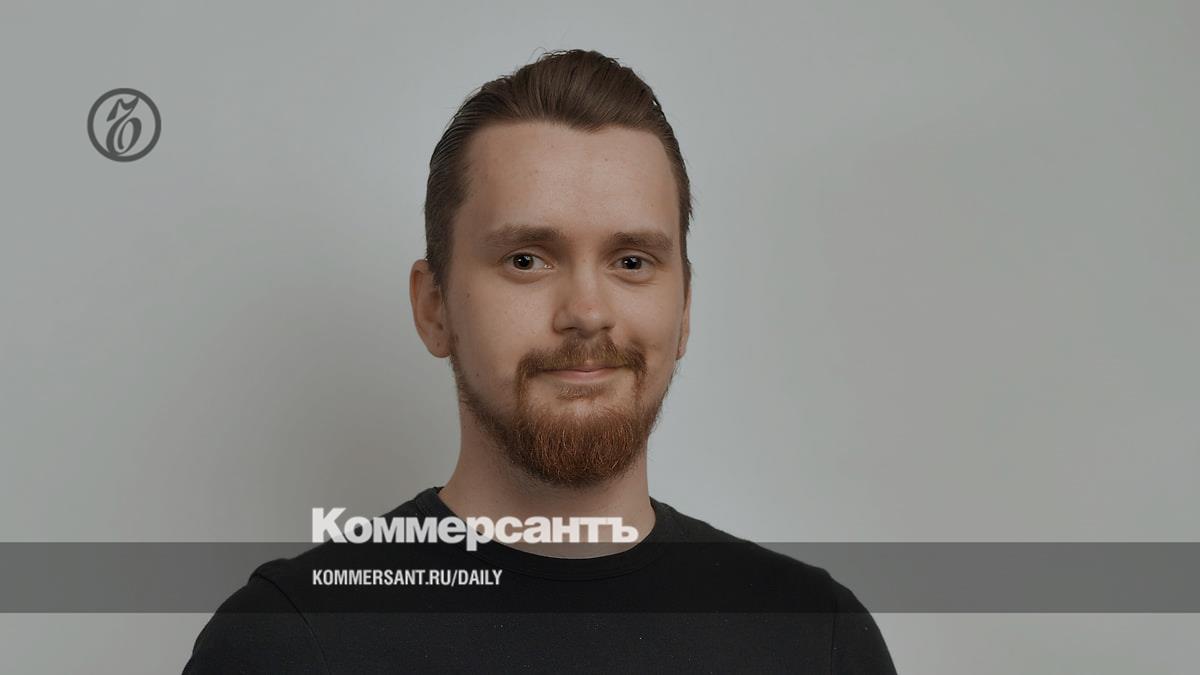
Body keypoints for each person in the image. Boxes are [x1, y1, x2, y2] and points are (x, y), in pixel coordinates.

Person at [184, 48, 897, 673]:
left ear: (684, 310)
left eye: (631, 261)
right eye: (527, 259)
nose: (586, 311)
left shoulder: (815, 637)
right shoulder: (287, 643)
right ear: (434, 307)